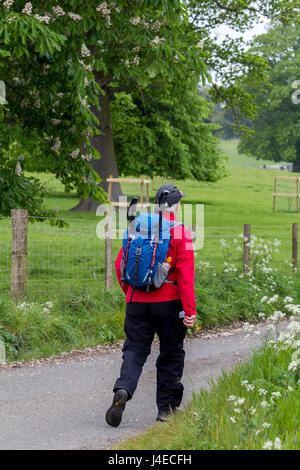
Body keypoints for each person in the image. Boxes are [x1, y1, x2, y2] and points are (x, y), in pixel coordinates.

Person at [105, 184, 196, 427]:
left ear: (157, 204)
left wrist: (131, 293)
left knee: (134, 349)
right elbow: (186, 278)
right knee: (171, 354)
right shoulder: (182, 233)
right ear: (176, 205)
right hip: (169, 304)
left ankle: (123, 389)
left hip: (136, 302)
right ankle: (166, 411)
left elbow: (119, 265)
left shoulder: (137, 226)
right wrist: (190, 311)